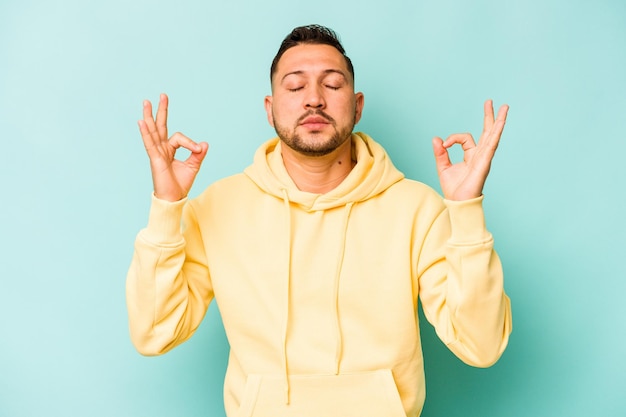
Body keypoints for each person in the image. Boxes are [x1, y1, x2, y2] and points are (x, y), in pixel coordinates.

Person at [126, 24, 512, 417]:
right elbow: (155, 332)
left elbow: (480, 346)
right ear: (270, 107)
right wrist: (166, 207)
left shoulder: (416, 208)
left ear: (358, 106)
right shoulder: (218, 207)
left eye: (332, 85)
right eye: (295, 87)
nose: (314, 99)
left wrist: (465, 210)